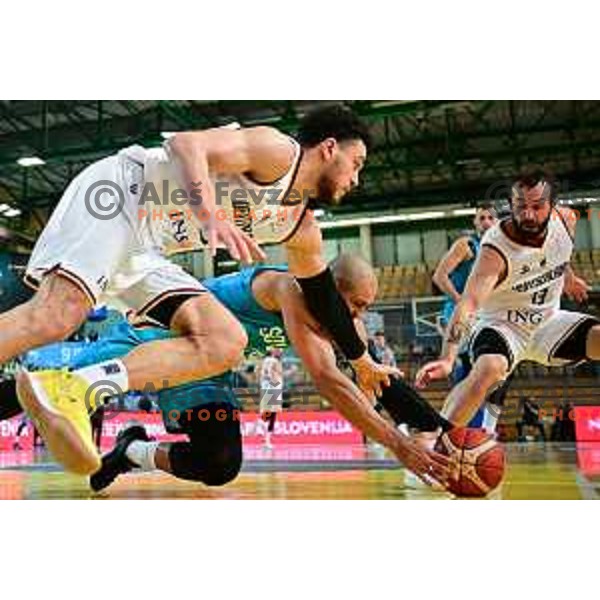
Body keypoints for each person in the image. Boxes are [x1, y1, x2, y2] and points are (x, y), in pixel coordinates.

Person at [11, 105, 398, 474]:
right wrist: (208, 210)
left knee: (226, 340)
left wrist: (362, 360)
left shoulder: (301, 228)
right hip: (123, 192)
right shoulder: (279, 152)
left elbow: (324, 298)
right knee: (56, 316)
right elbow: (185, 144)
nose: (356, 178)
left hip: (146, 244)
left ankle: (75, 387)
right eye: (356, 164)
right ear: (330, 149)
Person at [0, 255, 450, 490]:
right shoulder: (285, 288)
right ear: (330, 290)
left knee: (218, 465)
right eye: (353, 304)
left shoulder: (341, 326)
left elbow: (375, 379)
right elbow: (328, 380)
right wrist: (399, 445)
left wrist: (445, 433)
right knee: (41, 388)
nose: (357, 316)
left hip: (205, 369)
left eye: (365, 308)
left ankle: (131, 450)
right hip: (155, 337)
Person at [416, 170, 593, 429]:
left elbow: (556, 252)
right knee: (489, 368)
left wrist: (570, 277)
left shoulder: (567, 220)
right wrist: (447, 357)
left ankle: (486, 427)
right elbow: (468, 303)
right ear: (510, 206)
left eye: (537, 206)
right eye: (520, 207)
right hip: (501, 326)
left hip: (548, 321)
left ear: (553, 206)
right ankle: (439, 443)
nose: (528, 215)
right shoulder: (493, 248)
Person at [433, 204, 501, 431]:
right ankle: (461, 430)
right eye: (481, 218)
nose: (486, 221)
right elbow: (439, 276)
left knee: (492, 370)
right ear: (474, 222)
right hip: (460, 313)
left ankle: (484, 429)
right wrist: (460, 299)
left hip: (484, 315)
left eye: (491, 217)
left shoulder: (500, 249)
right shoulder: (466, 245)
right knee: (466, 372)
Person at [258, 348, 284, 449]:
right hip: (273, 388)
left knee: (267, 414)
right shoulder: (274, 361)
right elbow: (272, 374)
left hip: (265, 388)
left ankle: (266, 440)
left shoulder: (263, 361)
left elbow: (258, 372)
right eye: (278, 350)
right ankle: (267, 440)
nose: (280, 352)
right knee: (272, 415)